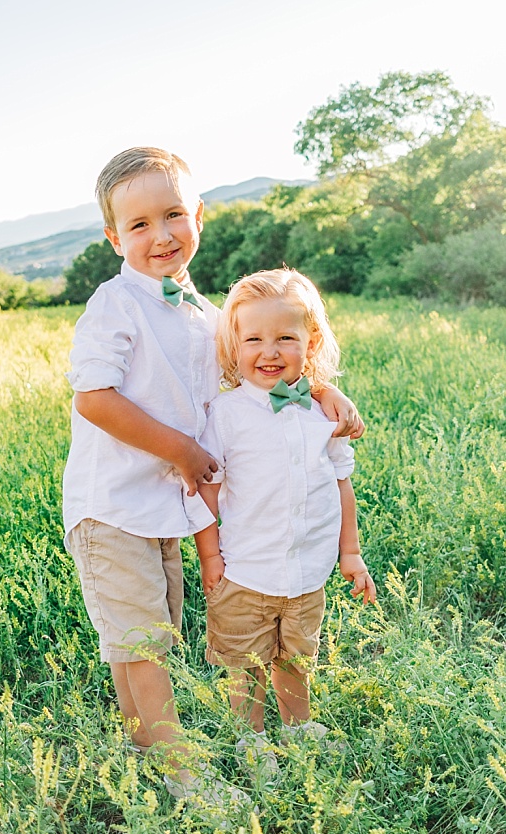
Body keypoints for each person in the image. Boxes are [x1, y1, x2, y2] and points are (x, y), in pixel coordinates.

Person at [64, 149, 360, 791]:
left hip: (167, 505)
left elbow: (264, 367)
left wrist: (322, 393)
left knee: (142, 634)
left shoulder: (205, 313)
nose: (161, 235)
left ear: (198, 215)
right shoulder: (115, 305)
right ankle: (185, 776)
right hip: (110, 503)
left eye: (173, 215)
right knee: (145, 640)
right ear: (114, 238)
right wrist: (185, 453)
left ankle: (140, 748)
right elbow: (94, 399)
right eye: (139, 225)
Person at [194, 270, 376, 763]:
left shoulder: (324, 414)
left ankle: (298, 729)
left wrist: (351, 554)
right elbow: (205, 492)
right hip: (246, 570)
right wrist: (210, 558)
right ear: (235, 344)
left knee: (295, 658)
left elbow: (341, 484)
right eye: (253, 338)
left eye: (285, 338)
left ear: (310, 342)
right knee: (247, 664)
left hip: (307, 569)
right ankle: (251, 741)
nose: (269, 351)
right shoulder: (226, 413)